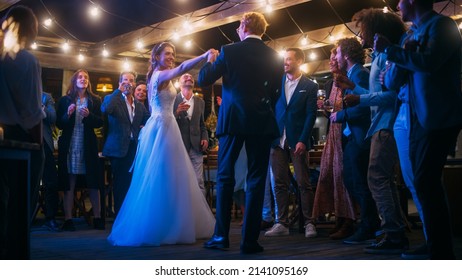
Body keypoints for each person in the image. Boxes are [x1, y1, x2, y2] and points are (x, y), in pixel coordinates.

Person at [375, 0, 462, 259]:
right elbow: (390, 82)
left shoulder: (443, 26)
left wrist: (394, 52)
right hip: (416, 120)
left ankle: (440, 249)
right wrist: (402, 56)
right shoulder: (411, 36)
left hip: (439, 117)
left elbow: (429, 63)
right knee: (424, 182)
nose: (397, 5)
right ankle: (435, 245)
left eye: (400, 1)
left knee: (426, 181)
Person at [107, 42, 216, 246]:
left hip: (168, 124)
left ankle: (174, 220)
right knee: (160, 175)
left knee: (174, 176)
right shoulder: (158, 74)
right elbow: (182, 69)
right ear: (156, 57)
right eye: (167, 53)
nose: (171, 56)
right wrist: (203, 56)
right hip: (161, 128)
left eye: (173, 53)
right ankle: (158, 224)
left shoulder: (162, 75)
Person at [198, 12, 284, 254]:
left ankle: (220, 237)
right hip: (261, 121)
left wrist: (211, 59)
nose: (237, 29)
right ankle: (249, 241)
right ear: (263, 30)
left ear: (244, 26)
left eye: (239, 25)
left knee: (225, 177)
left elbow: (204, 79)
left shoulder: (229, 50)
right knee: (256, 180)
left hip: (233, 120)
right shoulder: (274, 56)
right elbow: (276, 92)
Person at [342, 8, 408, 255]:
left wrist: (359, 99)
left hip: (386, 124)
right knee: (384, 180)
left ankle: (393, 232)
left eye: (362, 29)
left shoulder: (384, 56)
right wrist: (357, 92)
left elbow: (390, 95)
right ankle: (394, 230)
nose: (360, 35)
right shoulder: (380, 55)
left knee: (377, 178)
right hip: (382, 124)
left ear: (374, 29)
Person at [0, 5, 44, 259]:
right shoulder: (27, 60)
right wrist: (38, 144)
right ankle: (15, 256)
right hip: (20, 138)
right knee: (21, 202)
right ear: (30, 29)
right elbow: (31, 111)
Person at [330, 37, 380, 244]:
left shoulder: (359, 73)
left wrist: (339, 116)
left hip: (360, 136)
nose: (336, 57)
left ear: (347, 55)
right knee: (353, 181)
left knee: (358, 182)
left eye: (338, 52)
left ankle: (369, 226)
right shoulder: (352, 73)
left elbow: (364, 105)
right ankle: (369, 224)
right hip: (354, 135)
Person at [264, 47, 318, 239]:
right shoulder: (276, 84)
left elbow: (311, 116)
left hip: (298, 141)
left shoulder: (310, 86)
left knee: (304, 182)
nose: (285, 62)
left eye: (289, 59)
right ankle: (282, 223)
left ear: (299, 61)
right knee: (279, 183)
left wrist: (303, 139)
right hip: (277, 139)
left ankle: (309, 222)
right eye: (284, 59)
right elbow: (269, 107)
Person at [311, 48, 356, 240]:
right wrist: (324, 109)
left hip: (346, 133)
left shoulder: (348, 80)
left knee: (343, 177)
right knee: (330, 175)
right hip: (333, 133)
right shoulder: (330, 83)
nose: (330, 62)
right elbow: (331, 111)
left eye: (333, 59)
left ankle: (349, 220)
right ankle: (339, 216)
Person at [56, 69, 104, 231]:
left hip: (87, 145)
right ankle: (68, 219)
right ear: (74, 81)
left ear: (88, 82)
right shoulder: (65, 100)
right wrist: (67, 115)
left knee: (93, 182)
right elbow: (59, 124)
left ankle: (98, 218)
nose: (83, 79)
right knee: (69, 182)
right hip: (70, 144)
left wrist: (89, 115)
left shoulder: (95, 100)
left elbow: (100, 123)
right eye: (80, 77)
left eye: (86, 77)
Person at [101, 71, 150, 216]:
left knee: (131, 183)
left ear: (134, 84)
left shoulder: (139, 106)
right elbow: (106, 109)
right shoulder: (112, 98)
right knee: (120, 184)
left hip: (134, 149)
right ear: (120, 83)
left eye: (131, 80)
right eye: (125, 80)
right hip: (117, 148)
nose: (128, 83)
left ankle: (130, 216)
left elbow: (149, 120)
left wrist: (144, 127)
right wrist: (118, 92)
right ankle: (119, 216)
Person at [173, 73, 208, 196]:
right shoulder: (173, 99)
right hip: (179, 146)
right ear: (179, 82)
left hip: (196, 147)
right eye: (185, 77)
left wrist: (205, 138)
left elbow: (202, 125)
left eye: (191, 77)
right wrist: (176, 112)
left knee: (198, 181)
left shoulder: (200, 102)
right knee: (179, 180)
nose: (189, 78)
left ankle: (200, 213)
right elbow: (167, 122)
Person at [41, 92, 60, 232]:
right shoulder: (19, 93)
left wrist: (41, 106)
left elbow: (53, 118)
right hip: (24, 140)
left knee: (51, 182)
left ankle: (50, 218)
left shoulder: (46, 97)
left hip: (44, 143)